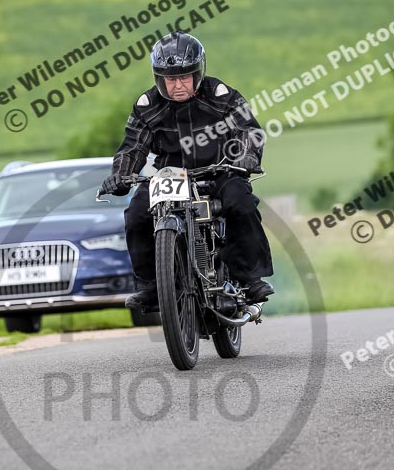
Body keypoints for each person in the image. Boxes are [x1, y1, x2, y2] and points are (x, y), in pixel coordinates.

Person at [99, 31, 274, 310]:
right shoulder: (147, 106)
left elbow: (248, 131)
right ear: (159, 78)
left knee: (242, 204)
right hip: (170, 176)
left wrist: (245, 158)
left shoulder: (222, 96)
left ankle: (248, 278)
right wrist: (120, 174)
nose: (177, 85)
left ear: (198, 73)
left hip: (221, 170)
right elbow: (133, 146)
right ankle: (151, 286)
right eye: (170, 79)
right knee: (135, 215)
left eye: (184, 77)